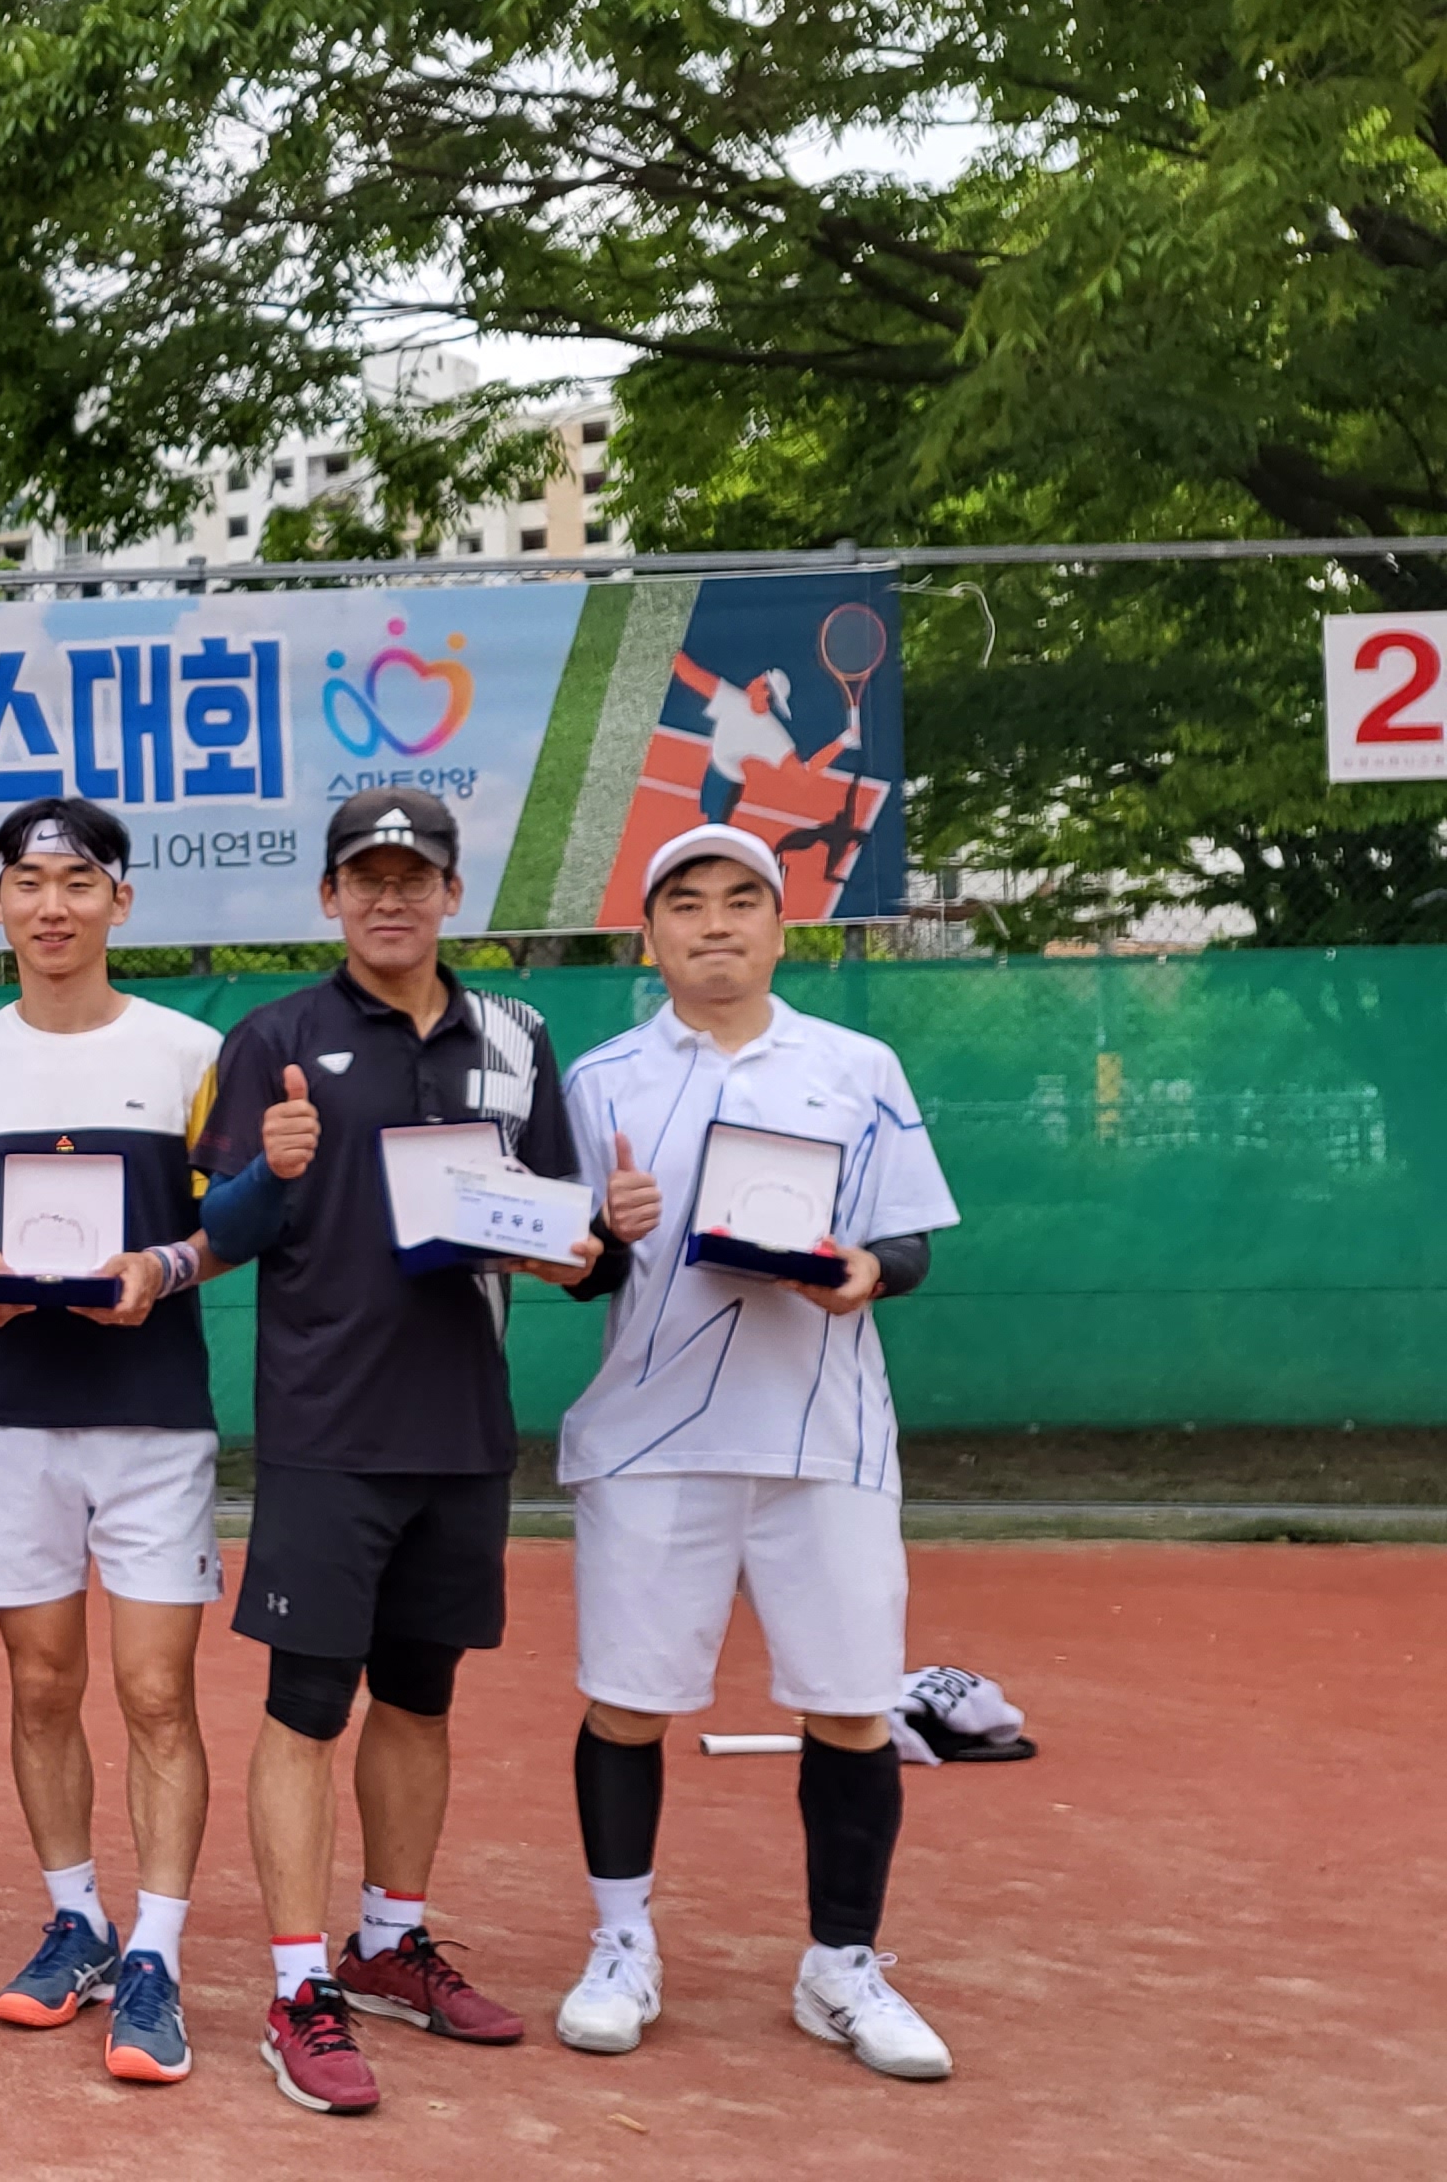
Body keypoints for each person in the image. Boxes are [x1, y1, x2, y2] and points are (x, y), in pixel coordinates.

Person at [188, 786, 599, 2118]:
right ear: (329, 897)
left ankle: (389, 1941)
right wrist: (274, 1169)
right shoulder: (273, 1039)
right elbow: (222, 1232)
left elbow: (561, 1227)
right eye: (364, 877)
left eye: (413, 876)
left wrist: (593, 1246)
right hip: (328, 1431)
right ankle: (297, 1984)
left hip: (464, 1431)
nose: (389, 897)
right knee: (307, 1708)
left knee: (421, 1700)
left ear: (450, 892)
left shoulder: (517, 1036)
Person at [547, 825, 960, 2080]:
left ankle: (842, 1964)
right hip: (649, 1438)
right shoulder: (600, 1079)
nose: (715, 923)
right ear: (649, 935)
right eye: (686, 903)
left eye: (741, 900)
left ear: (781, 928)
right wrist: (604, 1230)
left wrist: (863, 1269)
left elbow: (907, 1239)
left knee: (849, 1706)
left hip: (824, 1438)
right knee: (626, 1703)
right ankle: (621, 1945)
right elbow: (574, 1265)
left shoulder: (857, 1066)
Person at [0, 798, 223, 2084]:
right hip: (13, 1417)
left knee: (155, 1691)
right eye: (29, 883)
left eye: (79, 881)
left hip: (155, 1416)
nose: (53, 906)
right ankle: (78, 1918)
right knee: (40, 1683)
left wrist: (163, 1264)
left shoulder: (192, 1051)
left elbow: (231, 1219)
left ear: (119, 901)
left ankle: (156, 1948)